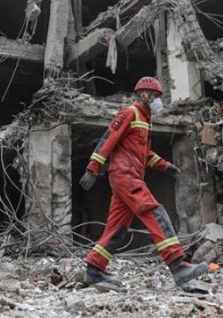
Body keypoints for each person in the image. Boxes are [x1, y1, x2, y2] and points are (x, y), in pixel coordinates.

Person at [80, 77, 208, 289]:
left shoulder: (145, 119)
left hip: (129, 176)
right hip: (125, 174)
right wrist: (92, 168)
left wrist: (166, 166)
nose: (158, 100)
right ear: (142, 95)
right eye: (154, 96)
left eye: (159, 96)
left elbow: (144, 152)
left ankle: (94, 270)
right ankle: (178, 265)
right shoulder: (130, 113)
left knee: (117, 229)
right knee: (155, 213)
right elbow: (108, 139)